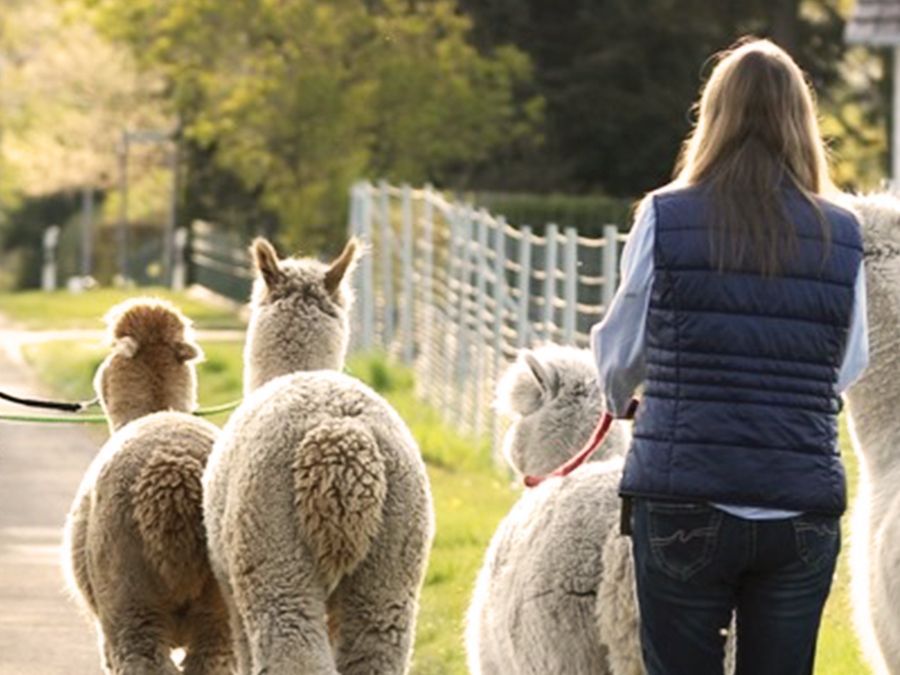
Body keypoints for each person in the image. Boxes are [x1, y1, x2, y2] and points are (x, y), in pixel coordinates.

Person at [590, 38, 868, 675]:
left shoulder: (665, 216)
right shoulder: (842, 233)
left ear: (712, 117)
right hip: (798, 508)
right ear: (801, 121)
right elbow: (848, 364)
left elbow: (619, 352)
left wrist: (619, 400)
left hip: (684, 498)